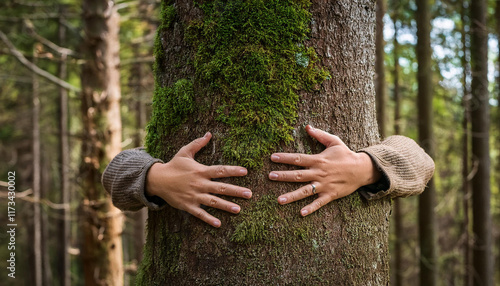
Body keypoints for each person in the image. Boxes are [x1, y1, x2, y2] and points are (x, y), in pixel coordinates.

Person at [102, 125, 434, 228]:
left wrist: (365, 167)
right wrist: (156, 178)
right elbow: (116, 172)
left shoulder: (359, 150)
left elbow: (421, 162)